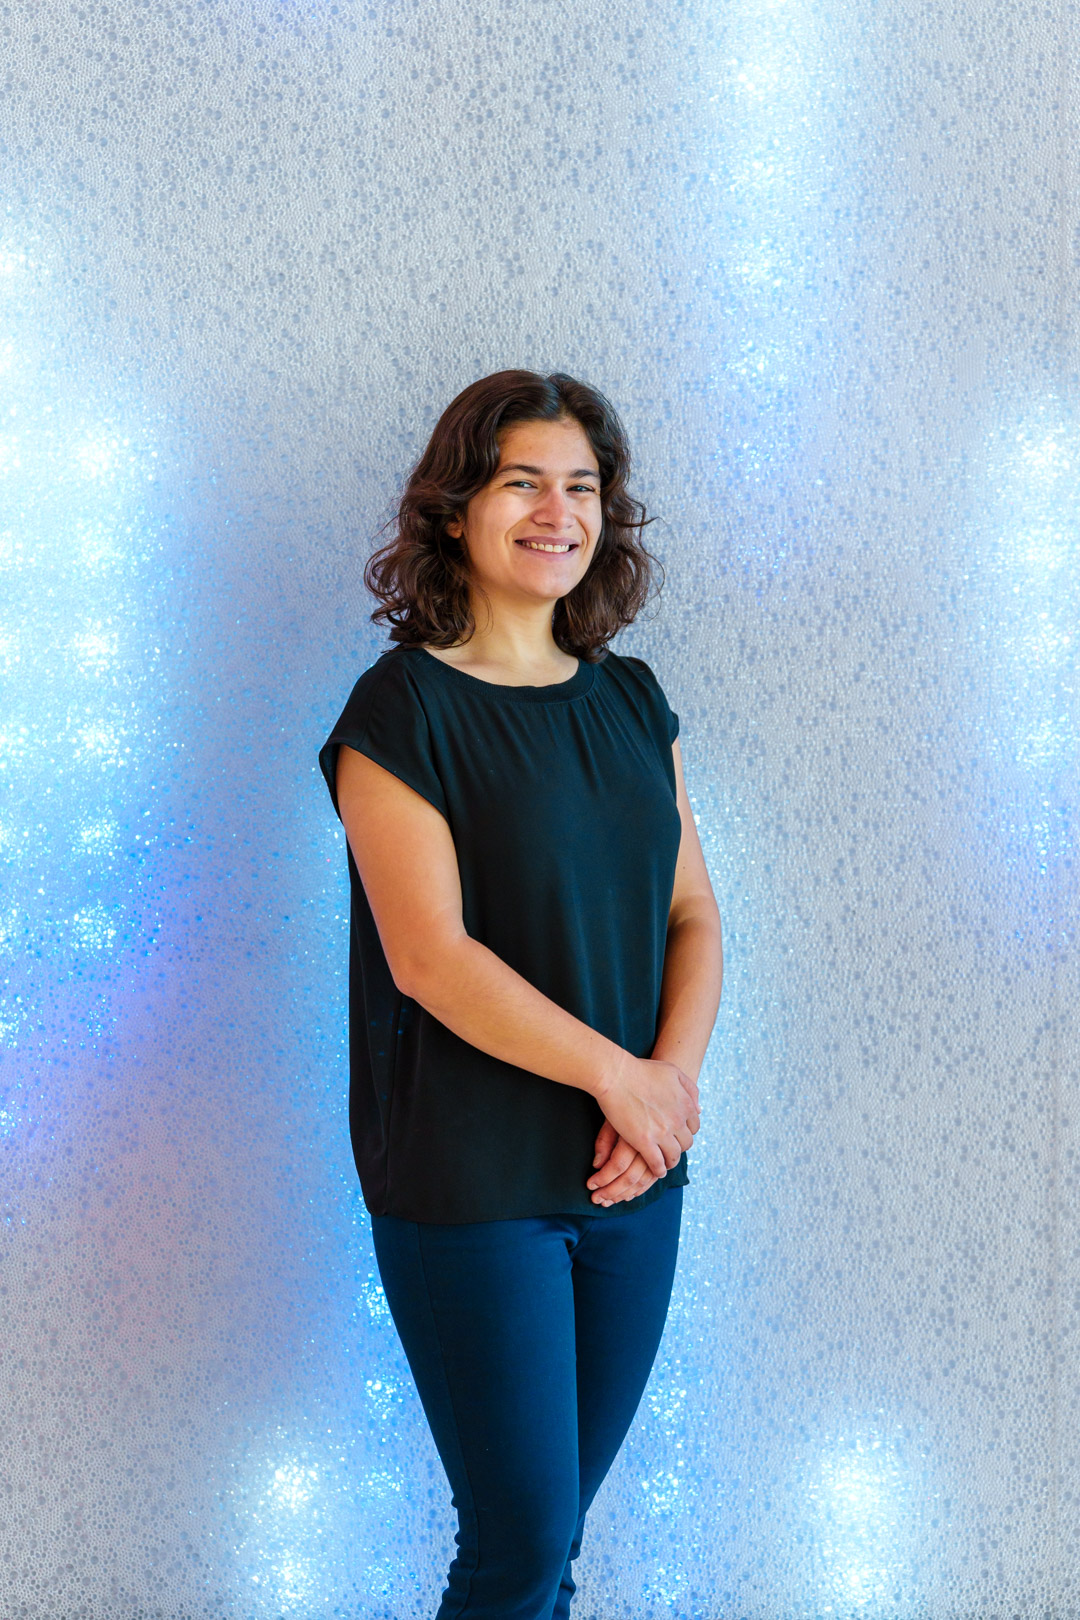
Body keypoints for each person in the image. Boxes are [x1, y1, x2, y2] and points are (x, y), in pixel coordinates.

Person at [318, 369, 723, 1619]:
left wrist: (667, 1091)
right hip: (470, 1181)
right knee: (519, 1540)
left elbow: (692, 913)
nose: (559, 511)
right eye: (522, 482)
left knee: (551, 1547)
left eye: (584, 487)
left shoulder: (630, 699)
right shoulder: (402, 710)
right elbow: (429, 956)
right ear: (456, 511)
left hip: (629, 1171)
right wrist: (621, 1076)